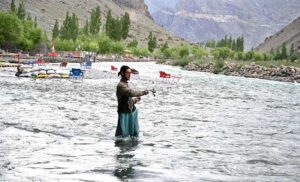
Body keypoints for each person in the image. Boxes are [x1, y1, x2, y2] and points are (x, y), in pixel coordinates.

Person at [115, 65, 149, 140]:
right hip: (124, 114)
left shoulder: (125, 84)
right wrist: (143, 92)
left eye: (130, 73)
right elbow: (131, 93)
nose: (130, 74)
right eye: (128, 73)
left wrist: (135, 100)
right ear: (122, 73)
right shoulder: (120, 85)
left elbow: (127, 98)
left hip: (132, 112)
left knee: (134, 137)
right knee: (122, 138)